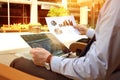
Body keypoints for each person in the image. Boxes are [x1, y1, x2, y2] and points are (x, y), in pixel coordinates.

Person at [10, 0, 120, 80]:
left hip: (91, 74)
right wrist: (88, 32)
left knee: (18, 62)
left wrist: (49, 59)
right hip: (97, 68)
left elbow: (95, 69)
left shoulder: (115, 7)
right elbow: (111, 39)